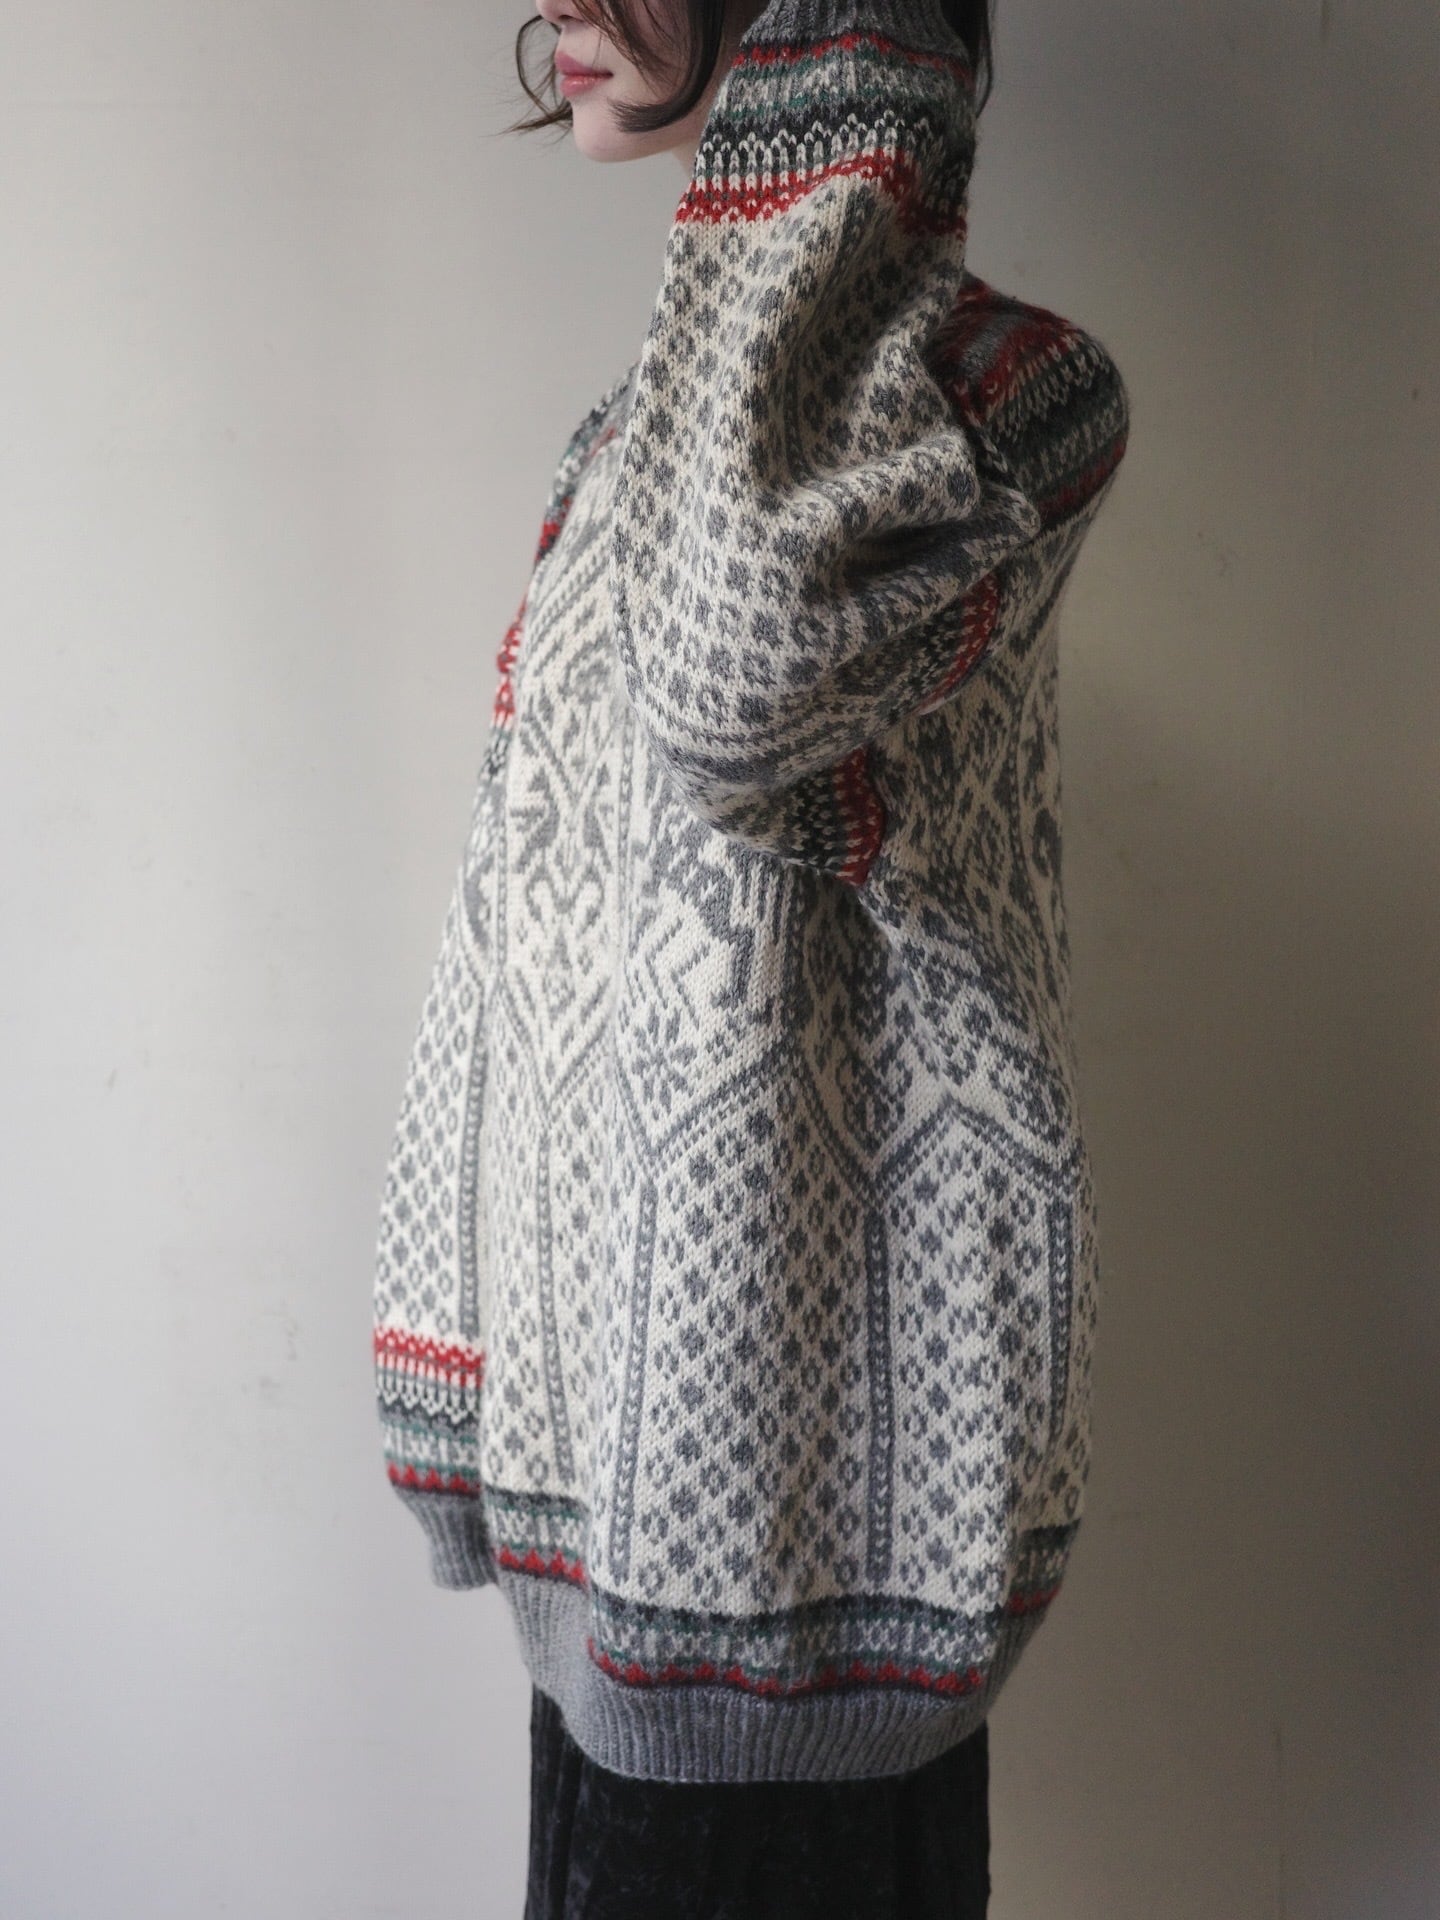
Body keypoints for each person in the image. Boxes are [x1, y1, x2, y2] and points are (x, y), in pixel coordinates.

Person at [371, 1, 1131, 1913]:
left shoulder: (1009, 407)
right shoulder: (633, 449)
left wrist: (862, 56)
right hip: (602, 1561)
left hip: (808, 1593)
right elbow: (513, 925)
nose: (552, 7)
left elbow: (736, 684)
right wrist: (452, 1404)